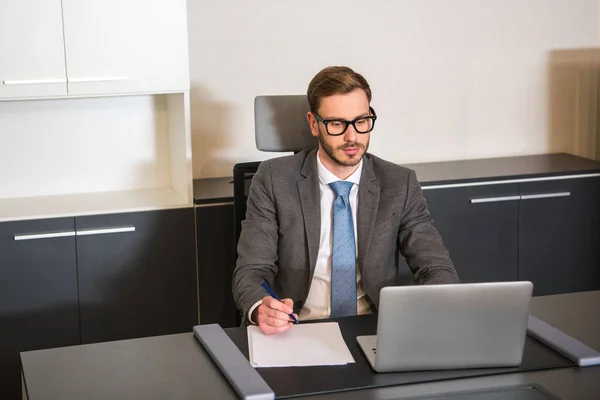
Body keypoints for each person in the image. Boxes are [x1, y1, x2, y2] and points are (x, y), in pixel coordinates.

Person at [232, 66, 459, 335]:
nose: (352, 136)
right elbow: (251, 271)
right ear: (314, 123)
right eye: (337, 123)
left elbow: (435, 266)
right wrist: (261, 308)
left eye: (361, 121)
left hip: (373, 329)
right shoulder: (273, 179)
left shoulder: (399, 183)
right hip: (297, 329)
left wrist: (432, 303)